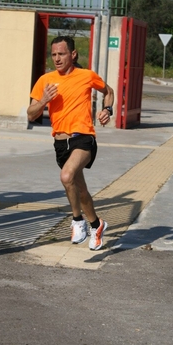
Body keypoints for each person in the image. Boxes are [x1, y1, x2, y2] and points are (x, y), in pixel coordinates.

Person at [27, 35, 114, 250]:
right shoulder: (45, 81)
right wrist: (44, 100)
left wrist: (107, 109)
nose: (56, 58)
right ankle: (97, 224)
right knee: (79, 189)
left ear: (73, 55)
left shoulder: (86, 76)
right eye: (54, 54)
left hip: (83, 138)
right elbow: (30, 114)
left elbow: (109, 91)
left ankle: (77, 221)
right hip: (60, 142)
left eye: (61, 54)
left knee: (66, 176)